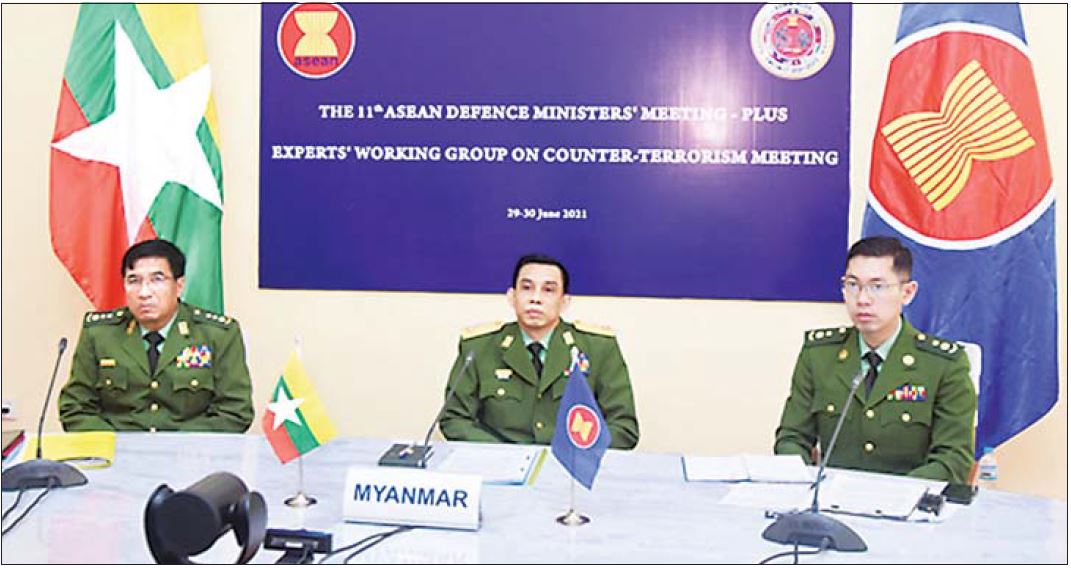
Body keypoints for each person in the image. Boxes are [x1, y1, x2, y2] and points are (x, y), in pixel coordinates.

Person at [774, 236, 976, 483]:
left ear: (907, 292)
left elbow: (953, 460)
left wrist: (892, 494)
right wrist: (801, 480)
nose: (862, 299)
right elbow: (792, 438)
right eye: (853, 285)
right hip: (831, 499)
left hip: (909, 501)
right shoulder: (819, 355)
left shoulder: (943, 364)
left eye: (877, 287)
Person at [439, 253, 640, 449]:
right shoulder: (478, 347)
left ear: (564, 302)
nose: (536, 298)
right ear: (512, 297)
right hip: (499, 465)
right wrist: (503, 455)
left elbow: (623, 427)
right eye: (527, 288)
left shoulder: (599, 348)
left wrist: (578, 453)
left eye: (548, 290)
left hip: (572, 465)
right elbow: (454, 419)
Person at [58, 239, 254, 432]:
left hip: (192, 450)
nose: (144, 293)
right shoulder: (100, 333)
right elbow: (76, 407)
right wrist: (115, 444)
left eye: (157, 280)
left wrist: (178, 445)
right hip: (117, 450)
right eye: (134, 281)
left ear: (179, 285)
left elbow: (234, 411)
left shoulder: (217, 335)